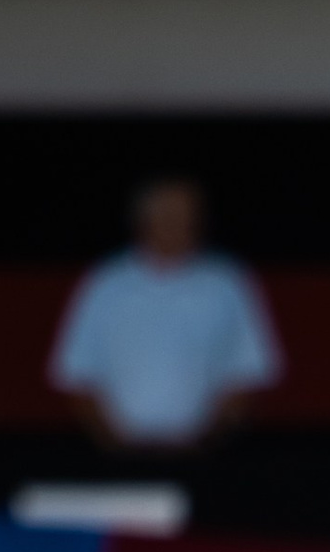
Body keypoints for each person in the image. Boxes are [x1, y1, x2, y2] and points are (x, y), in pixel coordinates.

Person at [49, 177, 282, 453]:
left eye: (191, 214)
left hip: (204, 455)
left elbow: (247, 372)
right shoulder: (106, 283)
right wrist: (114, 446)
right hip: (117, 457)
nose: (183, 223)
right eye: (171, 214)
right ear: (142, 219)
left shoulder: (227, 282)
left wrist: (207, 442)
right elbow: (78, 374)